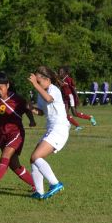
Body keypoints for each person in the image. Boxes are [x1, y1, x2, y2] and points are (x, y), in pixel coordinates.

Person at [27, 66, 70, 200]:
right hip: (51, 129)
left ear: (47, 79)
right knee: (33, 159)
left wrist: (35, 84)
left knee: (36, 156)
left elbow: (49, 99)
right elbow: (41, 112)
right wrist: (31, 108)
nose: (37, 84)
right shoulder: (42, 92)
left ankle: (55, 184)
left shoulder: (53, 90)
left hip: (59, 129)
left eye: (39, 81)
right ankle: (39, 192)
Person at [58, 66, 96, 131]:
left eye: (61, 72)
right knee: (65, 113)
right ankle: (78, 126)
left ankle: (89, 117)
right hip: (65, 98)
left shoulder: (68, 79)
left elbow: (73, 88)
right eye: (59, 72)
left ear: (65, 73)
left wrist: (76, 97)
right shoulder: (61, 79)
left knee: (74, 113)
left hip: (70, 97)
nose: (60, 73)